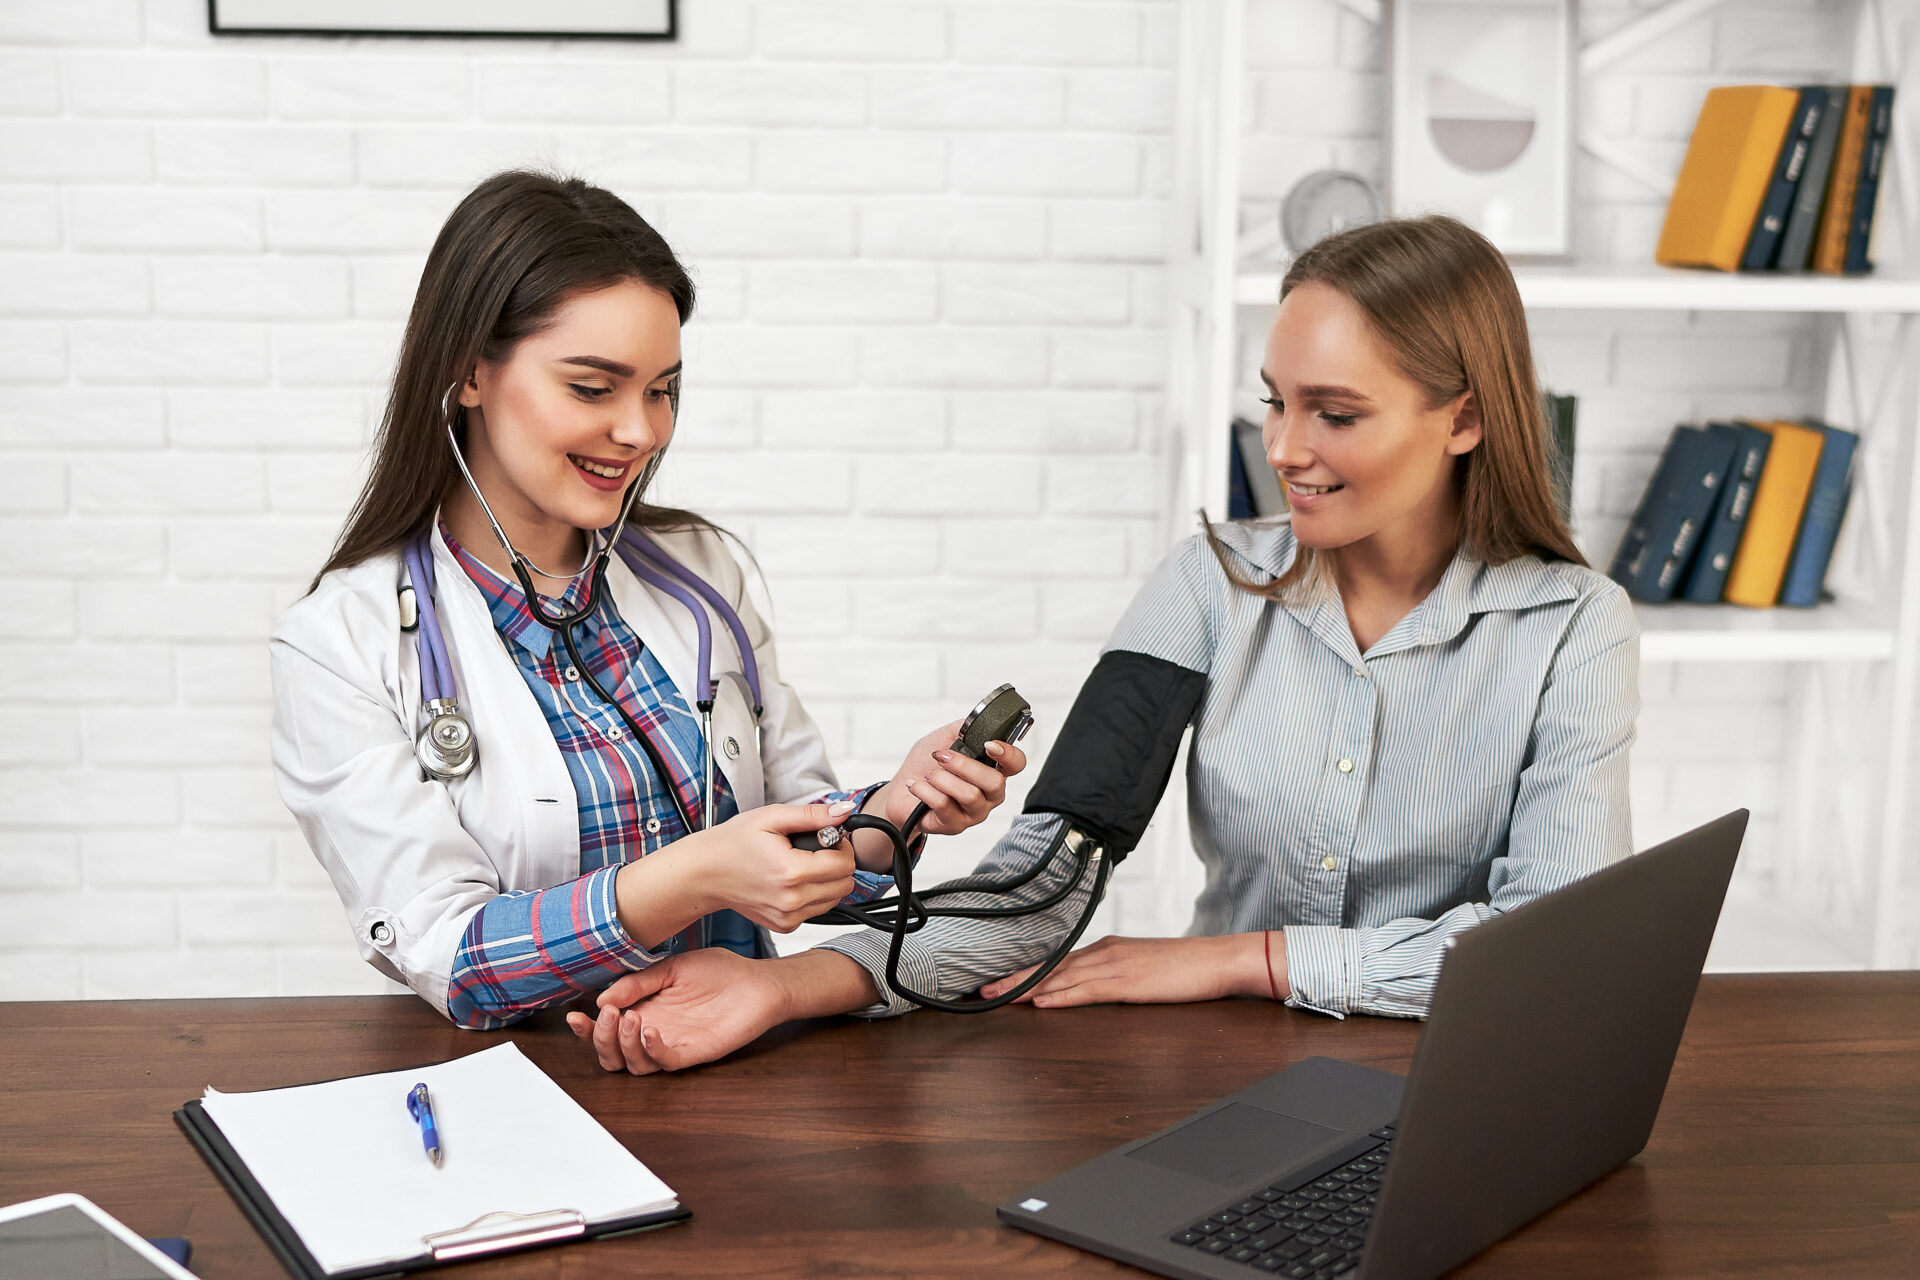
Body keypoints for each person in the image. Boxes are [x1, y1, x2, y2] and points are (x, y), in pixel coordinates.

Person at [569, 214, 1638, 1073]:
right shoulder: (1210, 585)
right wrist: (782, 985)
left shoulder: (1572, 628)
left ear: (1462, 418)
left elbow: (1554, 958)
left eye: (1336, 413)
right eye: (1275, 403)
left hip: (1475, 1082)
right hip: (1245, 1078)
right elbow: (1044, 876)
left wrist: (1245, 959)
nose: (1284, 449)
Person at [270, 170, 1025, 1031]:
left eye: (661, 389)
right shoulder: (341, 642)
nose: (641, 431)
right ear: (468, 372)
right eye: (593, 389)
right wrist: (694, 879)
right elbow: (453, 955)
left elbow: (804, 854)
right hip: (527, 1095)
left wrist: (895, 810)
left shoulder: (700, 574)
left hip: (736, 1068)